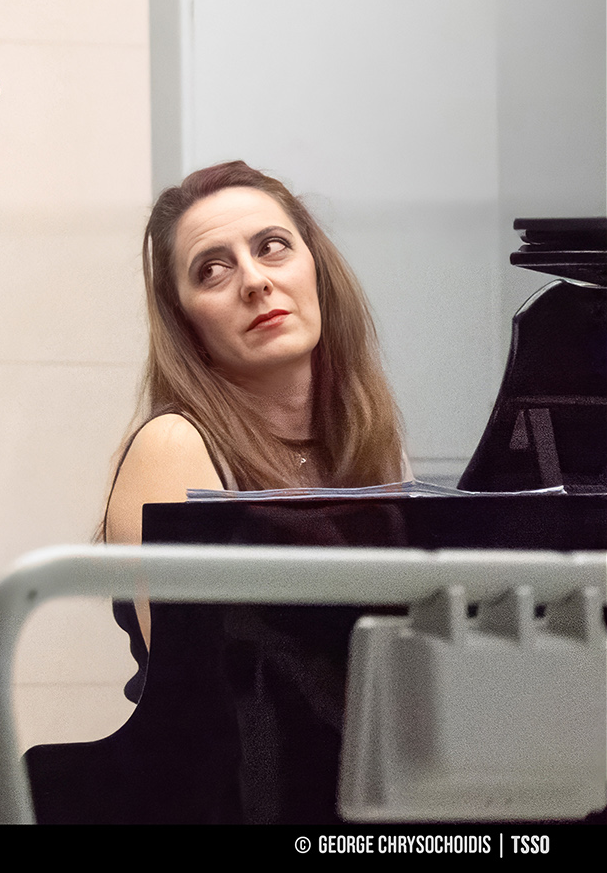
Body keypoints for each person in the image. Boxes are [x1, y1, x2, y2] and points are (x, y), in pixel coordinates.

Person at [101, 161, 408, 692]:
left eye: (272, 247)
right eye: (212, 270)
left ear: (316, 267)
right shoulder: (175, 445)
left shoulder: (368, 436)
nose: (255, 281)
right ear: (185, 321)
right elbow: (202, 698)